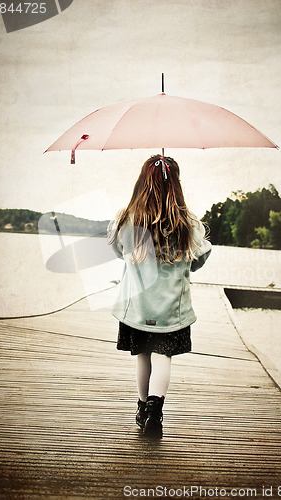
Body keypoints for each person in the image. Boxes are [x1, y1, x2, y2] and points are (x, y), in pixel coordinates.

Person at [108, 155, 211, 438]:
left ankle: (142, 409)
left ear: (142, 182)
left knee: (142, 354)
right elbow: (199, 258)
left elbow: (119, 251)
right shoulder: (188, 222)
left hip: (137, 306)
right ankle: (156, 411)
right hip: (171, 309)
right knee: (162, 355)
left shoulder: (127, 218)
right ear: (176, 183)